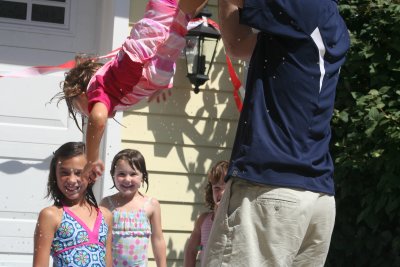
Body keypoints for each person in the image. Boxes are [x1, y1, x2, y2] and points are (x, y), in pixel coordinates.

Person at [202, 0, 351, 266]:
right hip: (316, 197)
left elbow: (235, 17)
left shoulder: (301, 5)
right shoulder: (331, 22)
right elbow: (239, 45)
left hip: (270, 190)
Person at [53, 0, 208, 181]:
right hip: (154, 52)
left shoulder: (98, 87)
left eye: (84, 110)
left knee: (181, 12)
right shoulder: (113, 87)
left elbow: (98, 118)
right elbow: (137, 79)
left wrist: (92, 158)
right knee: (184, 13)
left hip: (150, 47)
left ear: (82, 93)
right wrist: (158, 86)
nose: (90, 114)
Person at [33, 142, 113, 267]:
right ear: (55, 175)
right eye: (64, 173)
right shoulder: (51, 216)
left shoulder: (105, 216)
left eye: (79, 173)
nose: (71, 180)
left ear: (91, 175)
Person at [100, 149, 166, 267]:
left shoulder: (151, 205)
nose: (127, 179)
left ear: (143, 176)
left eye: (133, 174)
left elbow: (158, 239)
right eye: (121, 174)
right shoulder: (107, 204)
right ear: (113, 175)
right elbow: (101, 240)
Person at [184, 160, 228, 267]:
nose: (221, 193)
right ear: (210, 190)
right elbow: (193, 250)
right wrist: (202, 247)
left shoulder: (238, 219)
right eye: (217, 188)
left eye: (226, 188)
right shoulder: (203, 221)